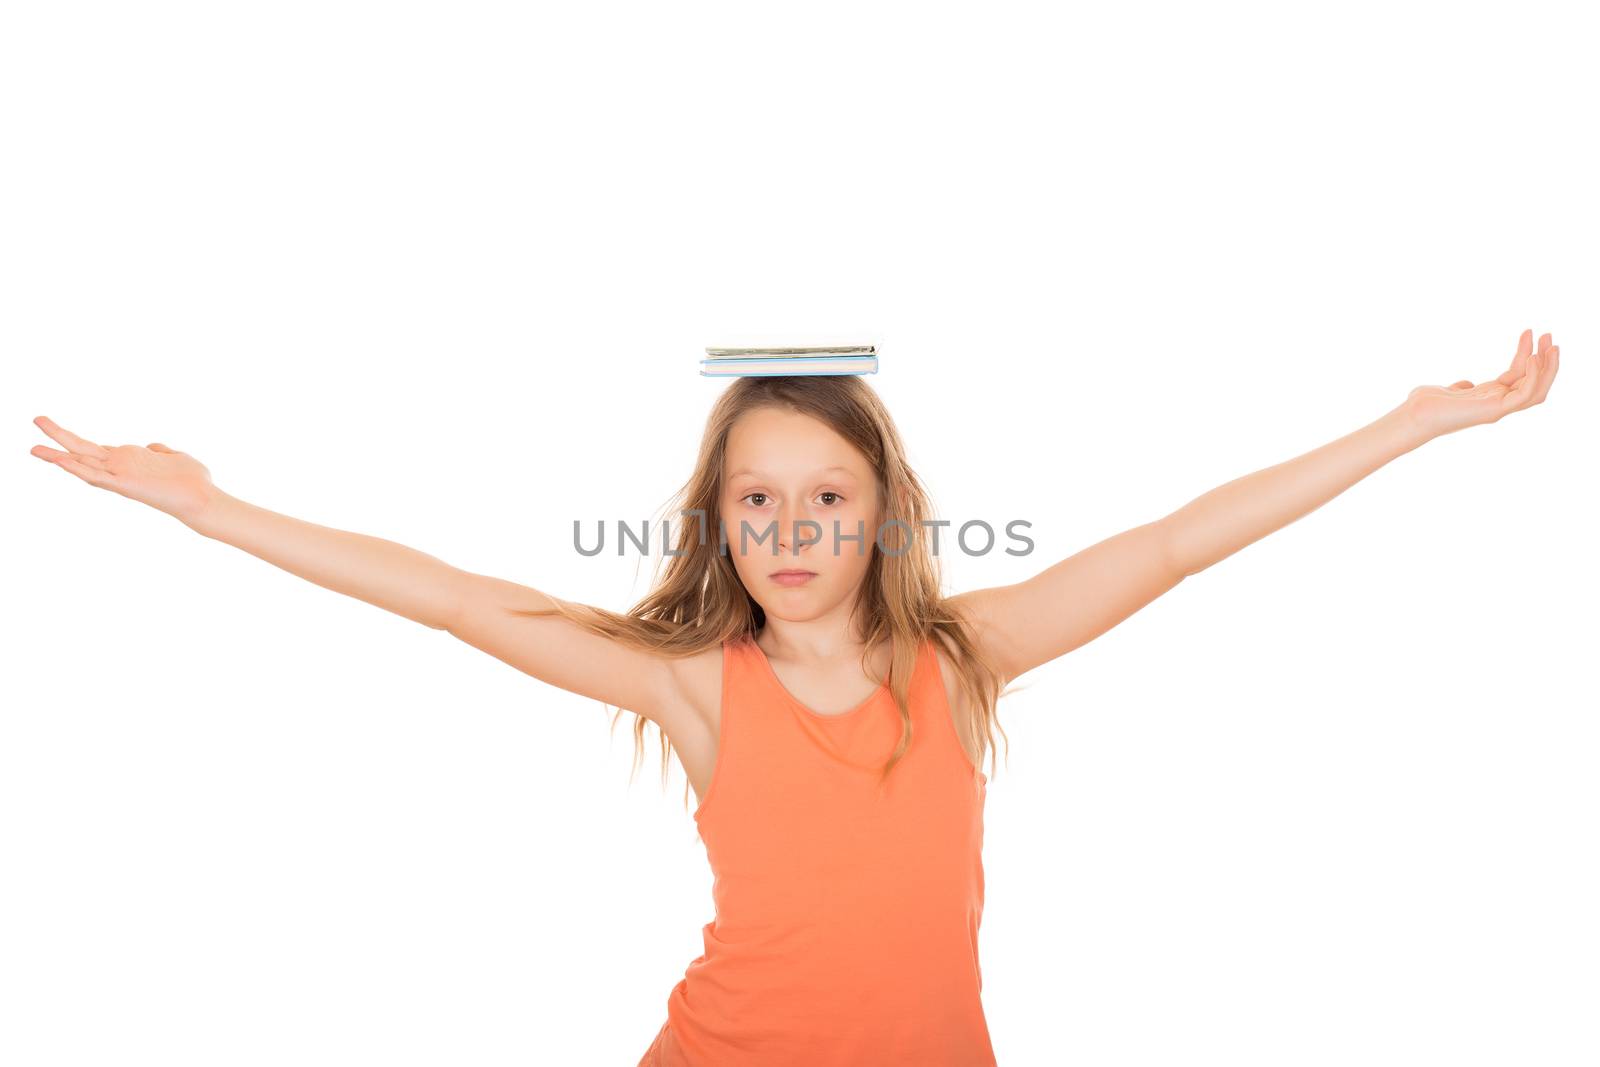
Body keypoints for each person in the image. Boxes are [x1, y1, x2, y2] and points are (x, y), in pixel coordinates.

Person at [28, 329, 1560, 1066]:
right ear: (718, 524)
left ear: (884, 508)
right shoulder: (697, 686)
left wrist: (1411, 424)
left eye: (826, 496)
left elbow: (1172, 544)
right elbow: (438, 594)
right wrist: (206, 504)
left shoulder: (965, 660)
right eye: (754, 502)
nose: (790, 533)